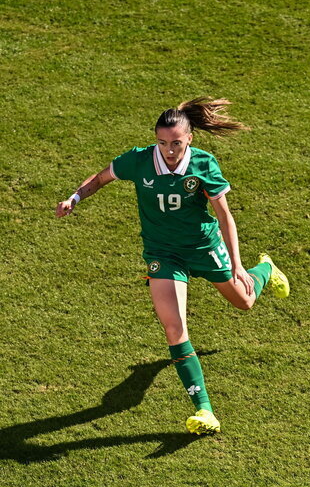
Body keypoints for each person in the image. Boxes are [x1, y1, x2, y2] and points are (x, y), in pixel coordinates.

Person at [54, 97, 289, 436]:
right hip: (162, 253)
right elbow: (102, 178)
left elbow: (224, 216)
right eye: (162, 142)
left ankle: (266, 269)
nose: (169, 150)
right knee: (173, 329)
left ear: (189, 138)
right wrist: (73, 199)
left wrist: (237, 264)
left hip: (203, 247)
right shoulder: (139, 161)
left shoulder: (203, 165)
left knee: (244, 301)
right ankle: (205, 410)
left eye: (176, 143)